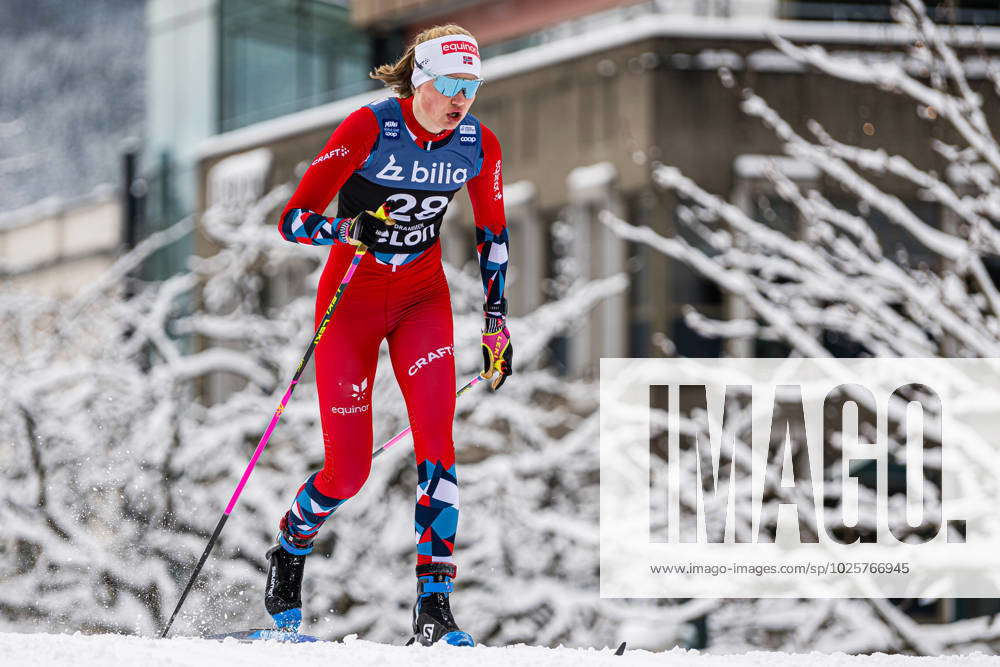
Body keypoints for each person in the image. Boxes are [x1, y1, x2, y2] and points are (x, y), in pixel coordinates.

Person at [265, 25, 512, 647]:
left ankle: (435, 610)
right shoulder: (369, 127)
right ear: (420, 81)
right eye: (449, 85)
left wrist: (497, 324)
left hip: (420, 300)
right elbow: (293, 220)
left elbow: (493, 237)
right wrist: (344, 230)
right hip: (349, 305)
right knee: (348, 472)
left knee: (439, 445)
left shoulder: (479, 145)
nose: (461, 99)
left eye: (471, 87)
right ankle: (292, 544)